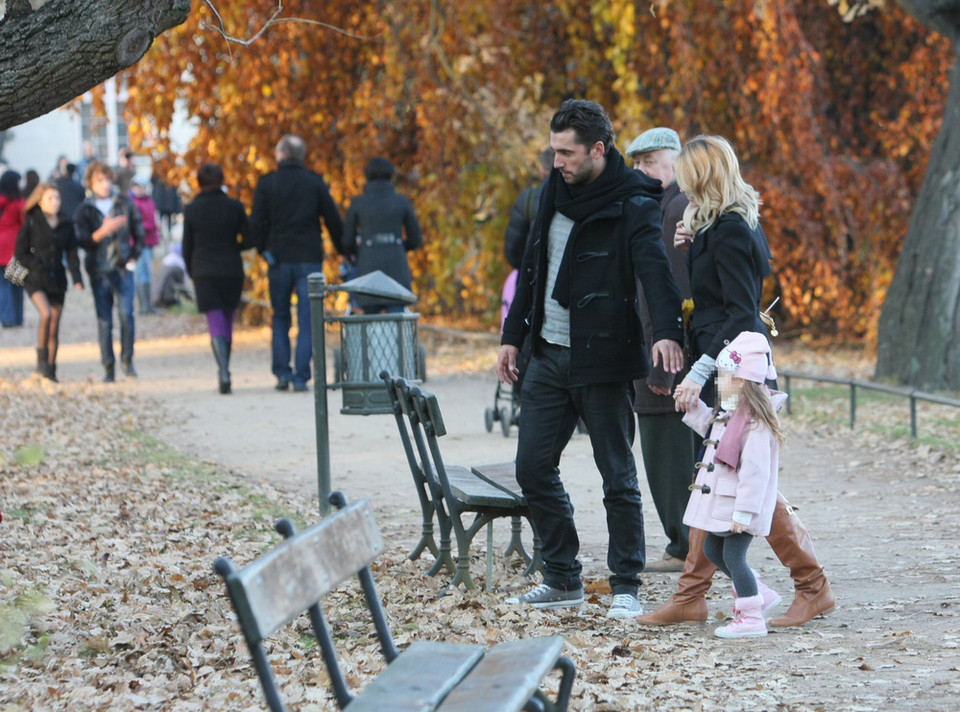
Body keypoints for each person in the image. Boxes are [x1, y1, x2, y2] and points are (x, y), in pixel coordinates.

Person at [496, 99, 684, 618]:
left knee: (617, 477)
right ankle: (562, 577)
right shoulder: (553, 191)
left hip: (603, 360)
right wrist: (513, 336)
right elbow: (533, 266)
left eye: (567, 152)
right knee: (532, 468)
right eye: (554, 151)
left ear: (598, 150)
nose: (557, 162)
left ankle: (626, 584)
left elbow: (655, 272)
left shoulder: (635, 201)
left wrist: (666, 332)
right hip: (548, 357)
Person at [638, 135, 835, 627]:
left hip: (735, 366)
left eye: (686, 173)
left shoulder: (730, 229)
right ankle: (696, 593)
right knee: (719, 475)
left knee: (739, 476)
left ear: (700, 176)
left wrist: (702, 368)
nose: (679, 182)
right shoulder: (722, 224)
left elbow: (740, 314)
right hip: (727, 360)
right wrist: (691, 241)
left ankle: (810, 586)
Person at [681, 332, 786, 638]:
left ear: (741, 380)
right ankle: (758, 593)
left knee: (733, 557)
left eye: (724, 377)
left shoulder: (754, 422)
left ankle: (751, 618)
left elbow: (755, 472)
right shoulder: (734, 413)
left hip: (739, 507)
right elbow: (714, 433)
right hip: (726, 503)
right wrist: (693, 408)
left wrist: (744, 512)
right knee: (714, 549)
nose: (719, 383)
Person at [624, 127, 694, 573]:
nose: (641, 171)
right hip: (662, 351)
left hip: (665, 357)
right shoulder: (663, 206)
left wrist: (665, 363)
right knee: (669, 454)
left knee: (669, 455)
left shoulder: (676, 209)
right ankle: (684, 542)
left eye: (651, 162)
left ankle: (685, 544)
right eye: (638, 163)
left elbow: (672, 290)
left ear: (675, 162)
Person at [250, 134, 344, 392]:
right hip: (309, 259)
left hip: (278, 258)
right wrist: (346, 248)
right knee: (308, 317)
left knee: (280, 315)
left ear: (280, 154)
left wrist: (263, 249)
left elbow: (256, 223)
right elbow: (333, 220)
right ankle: (302, 375)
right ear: (301, 155)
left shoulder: (268, 183)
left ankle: (282, 371)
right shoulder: (314, 183)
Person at [182, 163, 252, 394]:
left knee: (214, 319)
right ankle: (226, 367)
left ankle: (223, 370)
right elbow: (250, 238)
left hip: (204, 269)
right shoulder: (234, 207)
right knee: (228, 316)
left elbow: (187, 246)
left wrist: (192, 271)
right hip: (231, 267)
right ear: (222, 180)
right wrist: (234, 246)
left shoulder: (192, 210)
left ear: (199, 182)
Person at [74, 161, 145, 383]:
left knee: (127, 316)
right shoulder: (84, 209)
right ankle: (108, 366)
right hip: (99, 271)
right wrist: (103, 231)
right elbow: (82, 241)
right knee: (104, 320)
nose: (105, 185)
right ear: (91, 183)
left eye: (107, 180)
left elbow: (139, 232)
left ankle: (127, 360)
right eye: (99, 181)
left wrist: (133, 256)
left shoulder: (124, 203)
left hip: (123, 269)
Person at [14, 183, 84, 381]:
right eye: (50, 199)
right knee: (45, 314)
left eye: (57, 198)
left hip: (57, 280)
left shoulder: (66, 223)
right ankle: (41, 364)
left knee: (55, 326)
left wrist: (77, 278)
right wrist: (36, 266)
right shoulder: (32, 221)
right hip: (35, 278)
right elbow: (20, 253)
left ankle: (51, 370)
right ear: (41, 201)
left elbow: (72, 253)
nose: (55, 202)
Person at [341, 157, 422, 313]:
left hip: (368, 266)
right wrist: (397, 247)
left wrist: (361, 250)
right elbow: (416, 238)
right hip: (396, 266)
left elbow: (348, 242)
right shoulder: (401, 202)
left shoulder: (358, 203)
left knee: (370, 322)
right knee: (396, 320)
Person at [130, 176, 161, 315]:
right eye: (136, 187)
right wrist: (152, 226)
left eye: (141, 187)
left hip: (149, 241)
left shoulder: (149, 201)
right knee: (141, 272)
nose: (139, 189)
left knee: (148, 271)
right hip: (139, 242)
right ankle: (143, 305)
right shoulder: (133, 204)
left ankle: (149, 304)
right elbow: (136, 225)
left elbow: (153, 217)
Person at [0, 170, 26, 328]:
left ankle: (7, 318)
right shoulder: (19, 203)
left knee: (3, 285)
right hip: (15, 248)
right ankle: (17, 318)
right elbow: (24, 225)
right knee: (17, 283)